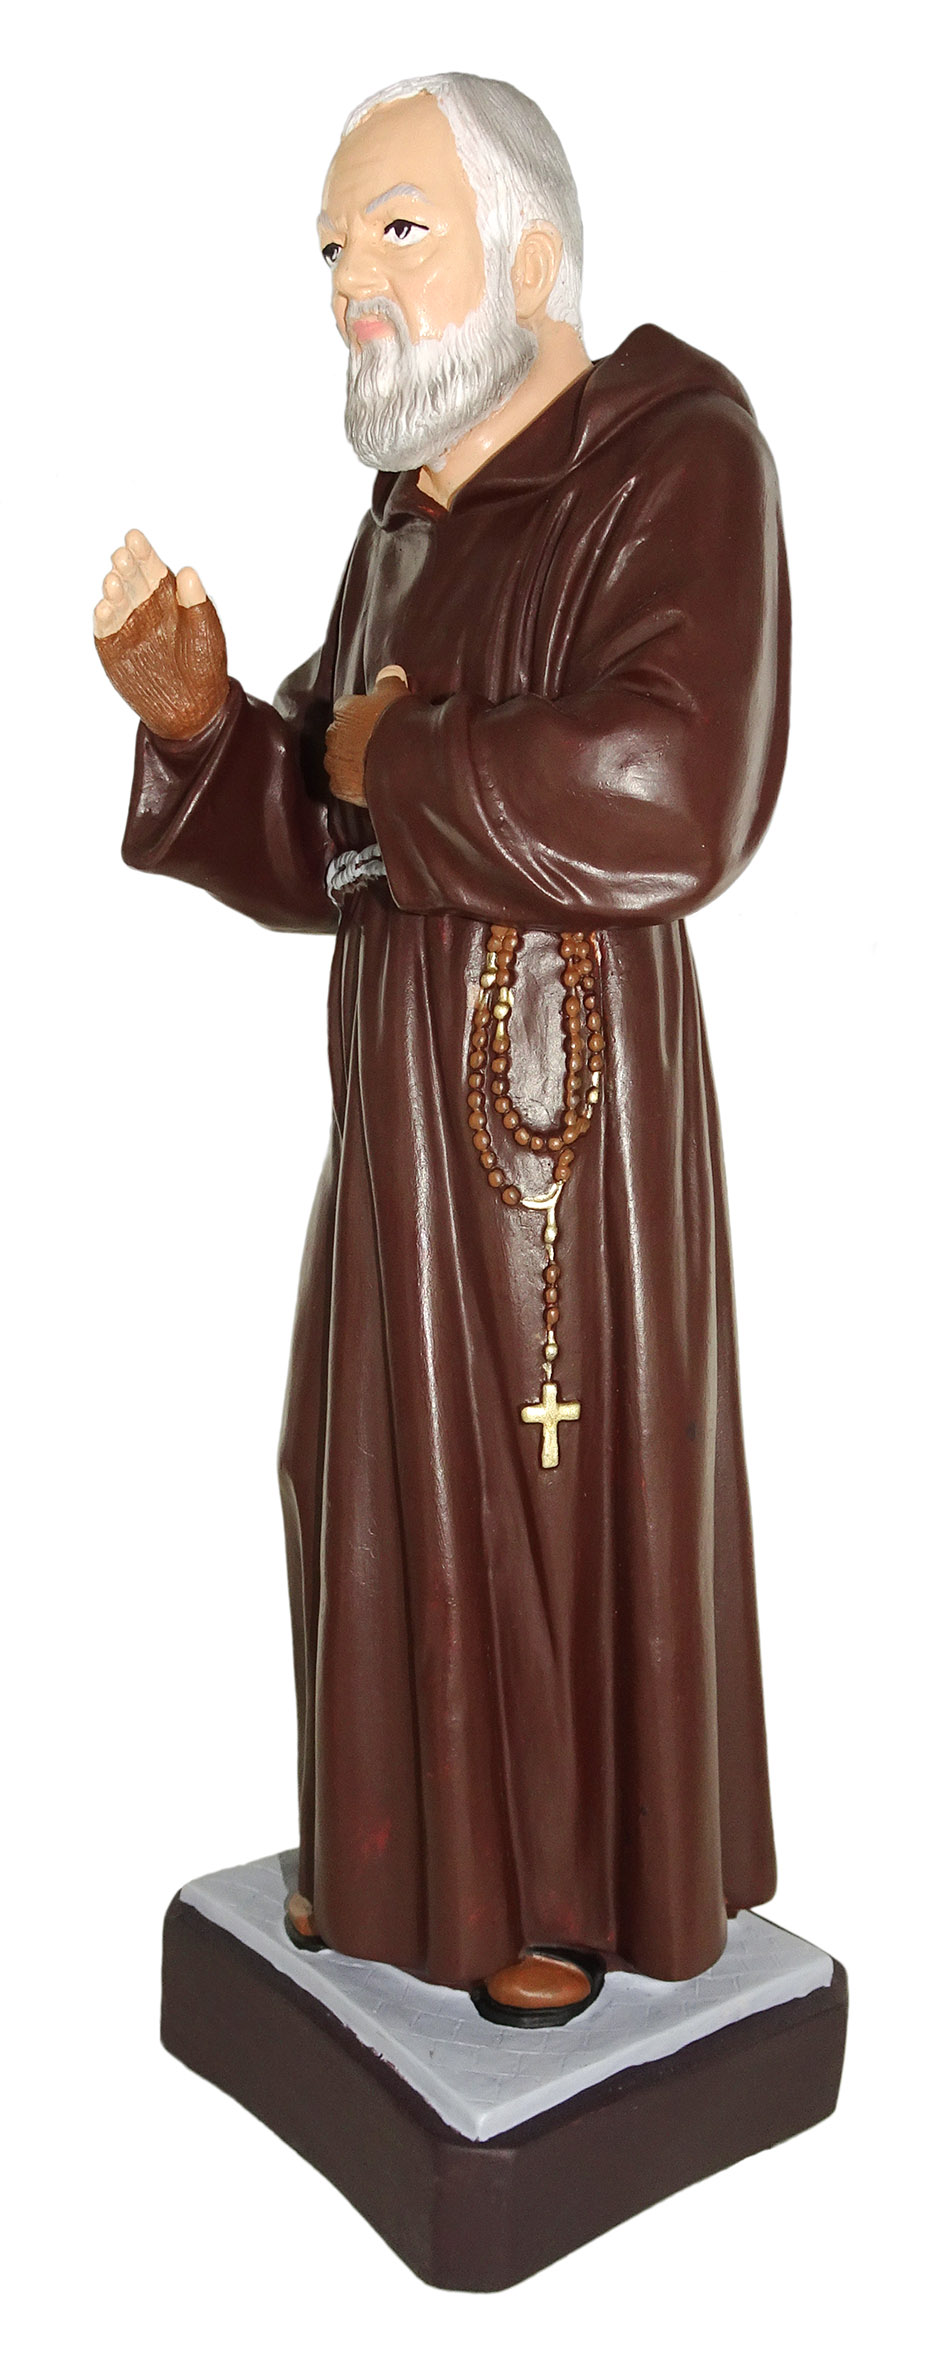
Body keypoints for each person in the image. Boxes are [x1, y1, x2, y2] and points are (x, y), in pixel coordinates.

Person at [93, 73, 787, 2024]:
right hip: (397, 1098)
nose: (353, 284)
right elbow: (324, 834)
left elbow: (676, 782)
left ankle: (554, 1888)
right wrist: (201, 728)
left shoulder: (677, 457)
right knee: (361, 1465)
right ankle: (403, 1858)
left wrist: (394, 756)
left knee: (542, 1487)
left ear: (534, 256)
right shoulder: (403, 526)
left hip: (566, 1109)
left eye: (398, 229)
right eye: (334, 246)